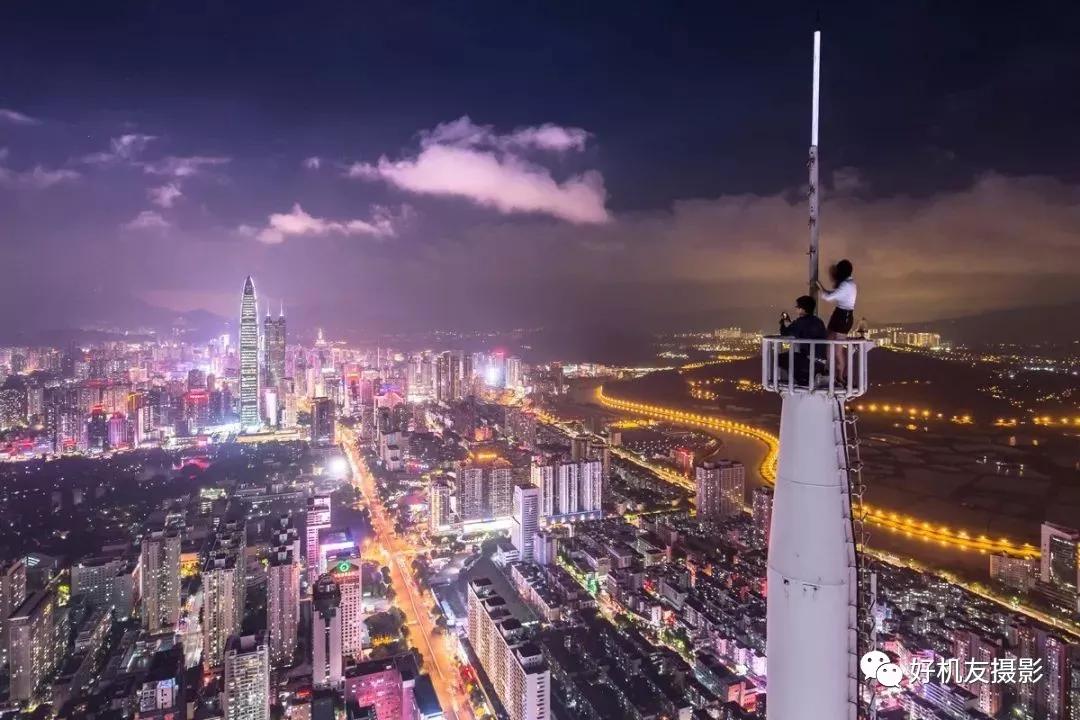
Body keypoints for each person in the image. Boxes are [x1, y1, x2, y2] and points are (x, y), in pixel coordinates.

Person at [817, 259, 857, 378]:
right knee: (831, 344)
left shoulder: (846, 285)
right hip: (843, 315)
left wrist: (819, 286)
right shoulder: (850, 284)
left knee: (837, 349)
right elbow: (834, 294)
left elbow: (828, 297)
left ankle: (839, 376)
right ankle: (833, 372)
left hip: (842, 316)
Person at [777, 295, 827, 386]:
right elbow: (802, 329)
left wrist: (782, 323)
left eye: (797, 307)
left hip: (809, 362)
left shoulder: (800, 322)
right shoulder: (819, 321)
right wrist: (791, 322)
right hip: (821, 364)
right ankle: (813, 376)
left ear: (803, 309)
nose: (796, 310)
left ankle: (803, 381)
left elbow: (785, 333)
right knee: (794, 357)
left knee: (780, 358)